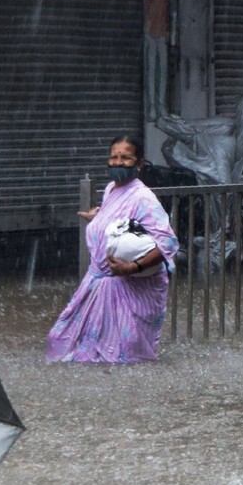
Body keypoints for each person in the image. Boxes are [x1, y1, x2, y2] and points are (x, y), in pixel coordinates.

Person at [46, 135, 179, 364]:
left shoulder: (143, 198)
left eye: (126, 158)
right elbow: (121, 223)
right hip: (97, 283)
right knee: (60, 340)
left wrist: (132, 266)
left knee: (119, 357)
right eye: (114, 157)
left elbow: (168, 243)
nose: (118, 162)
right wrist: (99, 218)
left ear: (138, 164)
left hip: (128, 289)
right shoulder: (111, 190)